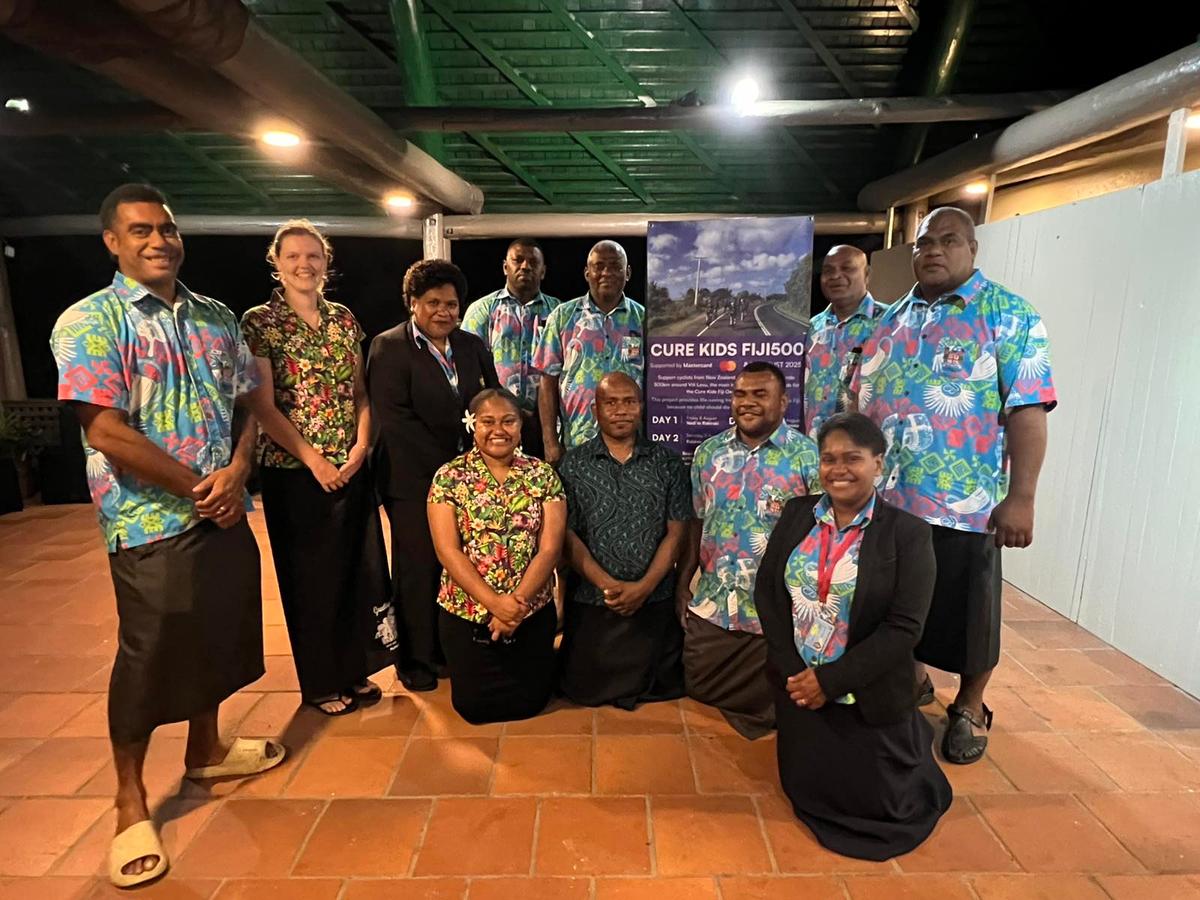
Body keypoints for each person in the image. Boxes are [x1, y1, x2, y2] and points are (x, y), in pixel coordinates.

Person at [49, 184, 284, 889]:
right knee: (151, 651)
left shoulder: (215, 318)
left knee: (216, 631)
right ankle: (130, 799)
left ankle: (206, 749)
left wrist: (241, 467)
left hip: (224, 507)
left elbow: (249, 405)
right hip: (149, 520)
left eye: (168, 229)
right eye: (141, 230)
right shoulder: (91, 322)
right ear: (113, 242)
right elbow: (105, 429)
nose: (159, 240)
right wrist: (198, 488)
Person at [853, 206, 1056, 764]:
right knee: (899, 604)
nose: (933, 251)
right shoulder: (891, 321)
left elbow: (1029, 410)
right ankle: (914, 681)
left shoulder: (1008, 314)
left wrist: (1023, 497)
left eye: (948, 241)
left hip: (966, 505)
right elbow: (861, 404)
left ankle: (969, 704)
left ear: (972, 249)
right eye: (923, 243)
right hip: (890, 504)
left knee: (969, 612)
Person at [756, 413, 951, 860]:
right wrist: (795, 669)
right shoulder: (796, 513)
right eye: (828, 459)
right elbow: (767, 592)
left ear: (878, 464)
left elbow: (905, 627)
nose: (838, 469)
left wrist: (830, 681)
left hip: (866, 691)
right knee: (808, 785)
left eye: (852, 458)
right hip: (798, 683)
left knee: (884, 806)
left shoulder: (908, 534)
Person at [241, 220, 393, 716]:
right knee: (311, 579)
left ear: (326, 263)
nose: (304, 265)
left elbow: (361, 395)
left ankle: (354, 669)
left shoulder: (344, 320)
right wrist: (315, 461)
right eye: (293, 257)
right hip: (294, 472)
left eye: (314, 256)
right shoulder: (260, 322)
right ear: (277, 262)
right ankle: (321, 682)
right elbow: (262, 405)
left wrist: (359, 449)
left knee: (357, 571)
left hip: (349, 468)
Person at [367, 259, 499, 693]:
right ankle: (415, 660)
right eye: (433, 303)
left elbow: (490, 401)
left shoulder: (472, 346)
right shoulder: (389, 348)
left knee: (457, 564)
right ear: (412, 303)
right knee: (419, 566)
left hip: (467, 480)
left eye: (451, 304)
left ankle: (445, 649)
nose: (444, 312)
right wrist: (452, 468)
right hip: (413, 480)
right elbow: (396, 421)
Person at [675, 362, 821, 739]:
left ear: (784, 401)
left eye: (760, 394)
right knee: (698, 684)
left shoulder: (808, 457)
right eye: (740, 394)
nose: (748, 402)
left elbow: (823, 536)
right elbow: (696, 521)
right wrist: (683, 580)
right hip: (717, 601)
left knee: (785, 692)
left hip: (776, 608)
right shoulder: (708, 454)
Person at [427, 388, 566, 723]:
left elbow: (550, 548)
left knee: (532, 702)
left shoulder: (542, 475)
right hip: (469, 611)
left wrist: (513, 605)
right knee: (474, 707)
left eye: (508, 421)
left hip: (528, 609)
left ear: (521, 426)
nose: (498, 430)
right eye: (487, 422)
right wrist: (494, 603)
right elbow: (447, 551)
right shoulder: (449, 477)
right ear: (472, 425)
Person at [557, 372, 692, 709]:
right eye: (611, 403)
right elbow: (566, 536)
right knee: (580, 687)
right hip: (593, 599)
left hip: (653, 598)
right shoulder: (573, 465)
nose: (620, 410)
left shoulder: (668, 463)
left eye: (629, 402)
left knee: (666, 682)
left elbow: (677, 533)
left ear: (641, 407)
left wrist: (644, 587)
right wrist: (606, 585)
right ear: (595, 410)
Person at [532, 240, 644, 463]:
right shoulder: (563, 317)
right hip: (576, 443)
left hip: (632, 446)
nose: (606, 273)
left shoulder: (644, 319)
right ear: (587, 273)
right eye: (599, 266)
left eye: (615, 266)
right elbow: (547, 383)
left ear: (628, 272)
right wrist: (550, 442)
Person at [461, 238, 561, 458]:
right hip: (496, 424)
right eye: (518, 260)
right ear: (506, 267)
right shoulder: (482, 310)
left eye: (533, 262)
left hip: (545, 423)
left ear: (543, 271)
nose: (525, 266)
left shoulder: (559, 313)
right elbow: (469, 368)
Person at [803, 245, 888, 436]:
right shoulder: (810, 328)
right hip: (814, 449)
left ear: (867, 274)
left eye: (847, 268)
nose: (835, 276)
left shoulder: (890, 323)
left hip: (865, 447)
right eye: (828, 271)